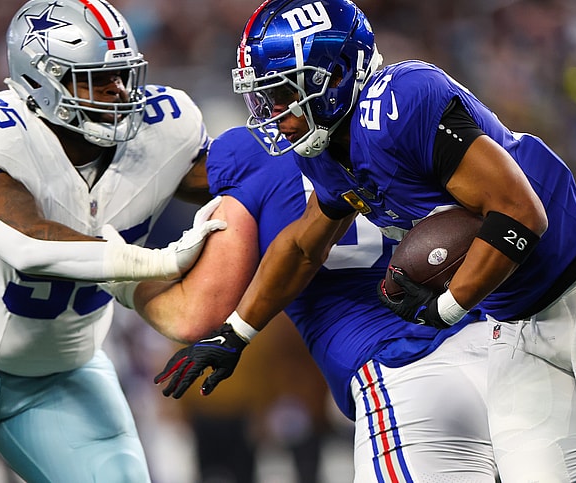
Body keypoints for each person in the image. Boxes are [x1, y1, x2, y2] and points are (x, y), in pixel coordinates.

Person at [154, 0, 576, 481]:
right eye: (265, 96)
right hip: (513, 324)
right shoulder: (328, 148)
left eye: (285, 93)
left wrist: (447, 306)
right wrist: (235, 333)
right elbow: (302, 245)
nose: (273, 112)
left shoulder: (403, 99)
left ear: (334, 76)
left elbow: (521, 213)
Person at [0, 1, 225, 481]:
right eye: (95, 79)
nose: (118, 91)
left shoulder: (164, 127)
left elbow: (244, 184)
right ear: (41, 80)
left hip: (62, 361)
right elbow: (28, 244)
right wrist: (158, 262)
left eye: (122, 75)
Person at [109, 125, 498, 481]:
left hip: (397, 369)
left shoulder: (249, 152)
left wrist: (120, 278)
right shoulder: (405, 120)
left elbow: (194, 315)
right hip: (495, 342)